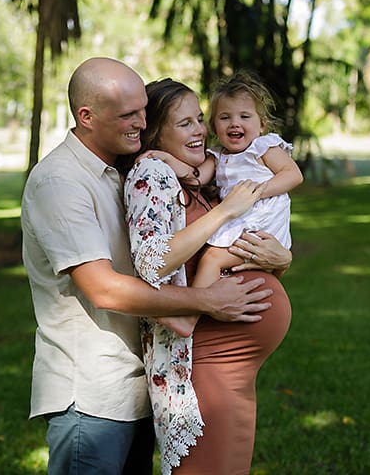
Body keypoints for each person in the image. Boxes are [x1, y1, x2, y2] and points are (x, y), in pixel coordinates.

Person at [21, 57, 290, 475]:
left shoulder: (125, 168)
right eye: (129, 115)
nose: (141, 122)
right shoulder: (61, 183)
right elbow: (104, 288)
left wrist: (279, 258)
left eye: (144, 112)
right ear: (86, 116)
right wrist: (206, 301)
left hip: (141, 381)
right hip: (94, 390)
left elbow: (203, 247)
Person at [124, 78, 293, 474]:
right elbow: (153, 262)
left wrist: (281, 258)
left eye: (199, 119)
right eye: (185, 123)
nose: (199, 130)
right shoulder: (152, 174)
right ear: (156, 132)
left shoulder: (192, 172)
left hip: (231, 363)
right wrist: (226, 210)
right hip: (206, 360)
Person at [141, 73, 303, 338]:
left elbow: (293, 175)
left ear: (262, 124)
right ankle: (194, 312)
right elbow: (195, 178)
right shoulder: (217, 157)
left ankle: (187, 319)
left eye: (245, 116)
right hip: (242, 222)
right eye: (225, 117)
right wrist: (165, 159)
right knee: (213, 258)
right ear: (215, 126)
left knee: (212, 258)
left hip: (263, 225)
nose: (235, 123)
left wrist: (254, 193)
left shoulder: (264, 148)